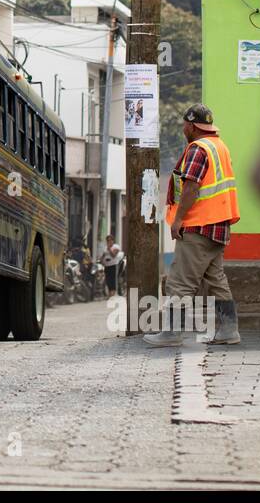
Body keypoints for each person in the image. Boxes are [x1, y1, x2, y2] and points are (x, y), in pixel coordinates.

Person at [143, 103, 241, 346]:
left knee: (179, 282)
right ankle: (229, 330)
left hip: (199, 225)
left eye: (185, 125)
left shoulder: (198, 149)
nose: (183, 129)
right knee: (216, 279)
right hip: (218, 225)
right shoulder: (220, 147)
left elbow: (191, 188)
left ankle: (172, 332)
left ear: (192, 126)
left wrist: (178, 221)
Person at [99, 234, 124, 298]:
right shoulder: (105, 248)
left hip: (114, 265)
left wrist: (109, 248)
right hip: (107, 266)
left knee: (113, 280)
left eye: (110, 240)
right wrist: (101, 261)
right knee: (108, 280)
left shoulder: (116, 247)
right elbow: (103, 256)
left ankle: (112, 295)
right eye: (108, 240)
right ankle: (110, 293)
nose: (109, 242)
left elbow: (113, 255)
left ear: (113, 241)